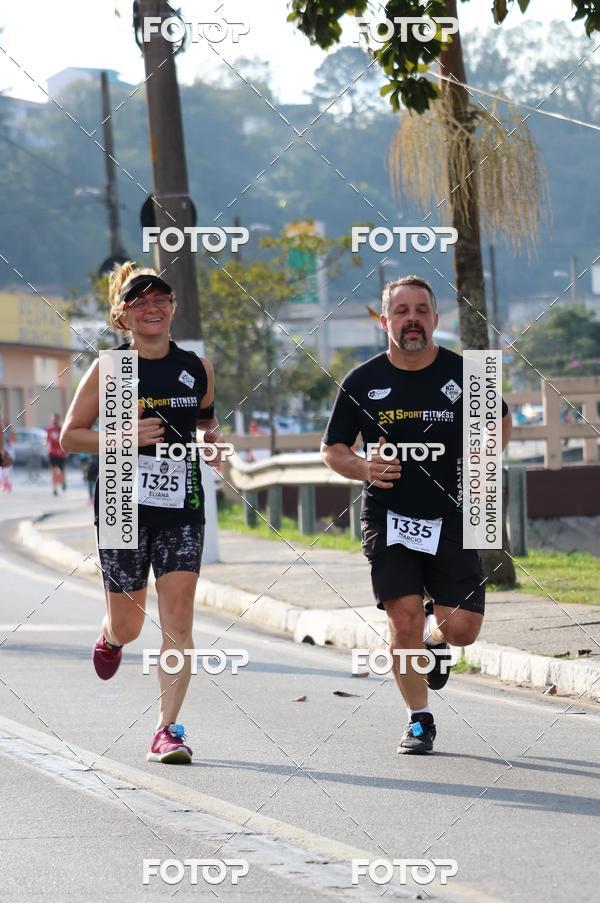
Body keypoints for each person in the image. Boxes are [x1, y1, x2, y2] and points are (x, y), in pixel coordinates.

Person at [321, 275, 511, 755]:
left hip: (450, 518)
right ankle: (419, 719)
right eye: (401, 311)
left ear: (435, 319)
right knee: (401, 620)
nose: (411, 319)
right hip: (389, 517)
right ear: (385, 322)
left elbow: (502, 421)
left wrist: (480, 455)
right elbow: (332, 451)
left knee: (463, 629)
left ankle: (434, 637)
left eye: (420, 310)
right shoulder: (362, 381)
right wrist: (365, 467)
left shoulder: (468, 374)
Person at [60, 262, 222, 765]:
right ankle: (111, 636)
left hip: (181, 505)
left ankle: (167, 730)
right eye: (139, 300)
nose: (152, 307)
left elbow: (204, 420)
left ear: (172, 308)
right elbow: (70, 437)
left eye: (161, 299)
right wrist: (123, 436)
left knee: (178, 619)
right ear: (123, 315)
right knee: (129, 624)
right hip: (120, 504)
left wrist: (210, 443)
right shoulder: (110, 369)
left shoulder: (197, 366)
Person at [46, 414, 68, 495]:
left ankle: (63, 481)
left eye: (55, 419)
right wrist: (47, 449)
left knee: (62, 470)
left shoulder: (61, 428)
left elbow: (64, 439)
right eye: (52, 420)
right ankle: (54, 488)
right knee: (53, 471)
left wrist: (66, 451)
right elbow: (47, 440)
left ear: (58, 420)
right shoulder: (49, 429)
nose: (54, 421)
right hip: (52, 453)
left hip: (61, 453)